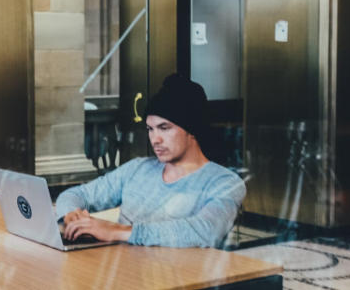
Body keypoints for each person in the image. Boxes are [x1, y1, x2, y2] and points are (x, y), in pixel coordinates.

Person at [56, 74, 245, 248]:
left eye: (164, 128)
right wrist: (71, 214)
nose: (155, 139)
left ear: (192, 129)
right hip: (120, 271)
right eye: (150, 129)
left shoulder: (224, 182)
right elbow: (76, 195)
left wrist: (116, 231)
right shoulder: (137, 168)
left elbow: (205, 231)